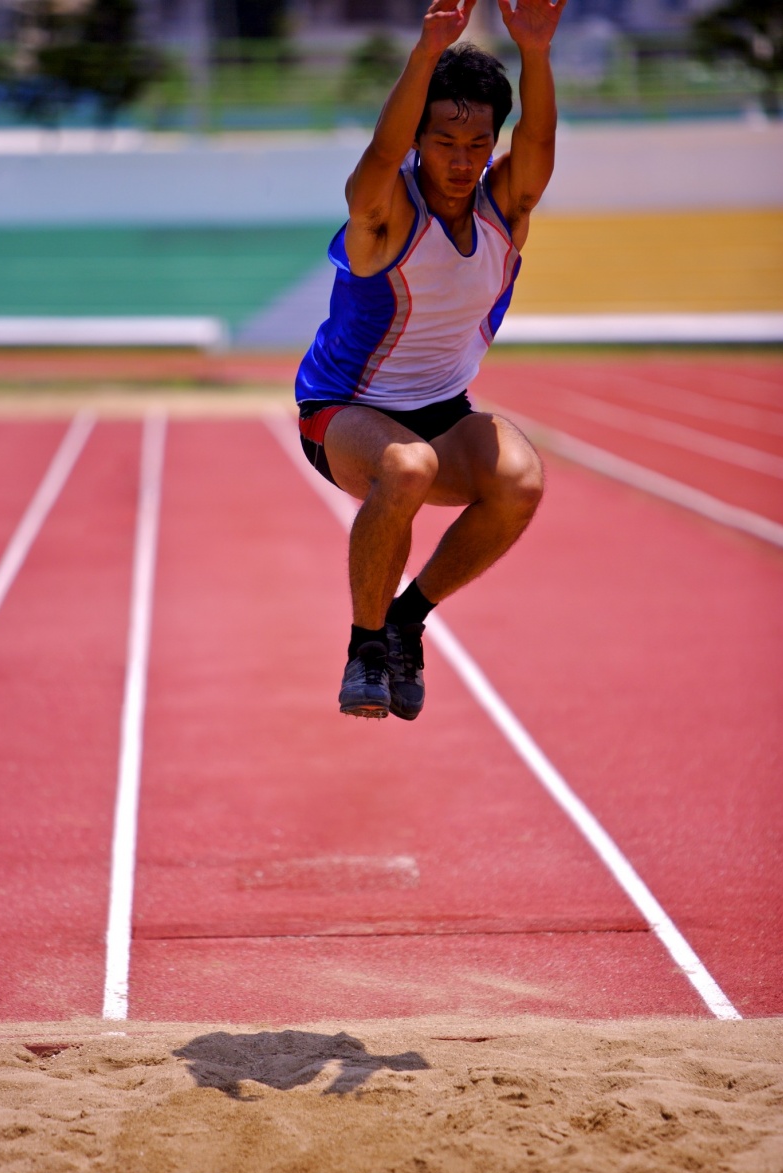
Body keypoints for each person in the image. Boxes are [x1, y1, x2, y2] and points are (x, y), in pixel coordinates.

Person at [295, 0, 567, 719]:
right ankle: (364, 647)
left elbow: (537, 142)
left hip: (442, 413)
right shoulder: (386, 216)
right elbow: (380, 161)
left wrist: (534, 52)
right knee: (406, 466)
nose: (462, 159)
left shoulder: (504, 209)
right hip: (344, 412)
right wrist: (426, 50)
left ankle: (406, 620)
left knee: (521, 480)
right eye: (445, 141)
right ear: (420, 139)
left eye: (478, 144)